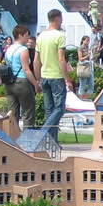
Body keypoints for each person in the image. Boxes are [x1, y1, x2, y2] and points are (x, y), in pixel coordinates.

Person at [34, 9, 72, 137]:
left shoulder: (41, 36)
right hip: (56, 76)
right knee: (59, 109)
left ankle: (52, 142)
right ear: (57, 19)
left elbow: (36, 61)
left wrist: (37, 79)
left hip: (44, 76)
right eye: (61, 19)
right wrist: (67, 79)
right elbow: (61, 59)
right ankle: (43, 134)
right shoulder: (59, 36)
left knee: (49, 111)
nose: (62, 22)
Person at [4, 25, 39, 129]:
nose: (28, 39)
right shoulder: (23, 49)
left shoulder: (9, 49)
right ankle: (27, 135)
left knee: (12, 111)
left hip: (9, 82)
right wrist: (35, 83)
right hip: (22, 81)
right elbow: (26, 69)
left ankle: (13, 135)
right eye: (26, 36)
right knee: (28, 110)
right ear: (20, 35)